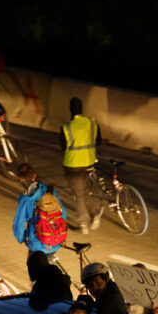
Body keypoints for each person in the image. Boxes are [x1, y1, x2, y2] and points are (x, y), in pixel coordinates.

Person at [60, 96, 101, 234]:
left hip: (73, 166)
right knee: (86, 191)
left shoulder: (66, 127)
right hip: (89, 162)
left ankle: (83, 224)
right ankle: (95, 214)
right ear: (82, 109)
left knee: (79, 194)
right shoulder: (92, 122)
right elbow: (98, 141)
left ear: (70, 110)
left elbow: (63, 146)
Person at [13, 163, 68, 259]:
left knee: (35, 270)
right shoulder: (50, 190)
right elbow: (63, 214)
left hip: (36, 244)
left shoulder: (25, 199)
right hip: (55, 240)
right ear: (34, 176)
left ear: (21, 179)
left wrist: (22, 239)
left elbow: (19, 225)